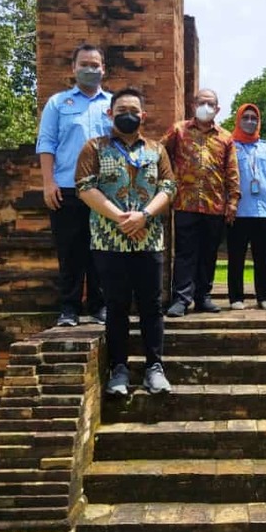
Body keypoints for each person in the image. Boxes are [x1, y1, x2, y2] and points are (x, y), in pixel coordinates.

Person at [75, 86, 177, 395]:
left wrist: (144, 216)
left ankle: (154, 368)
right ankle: (118, 369)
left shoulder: (156, 150)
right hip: (109, 242)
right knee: (116, 306)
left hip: (149, 240)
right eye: (121, 111)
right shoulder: (95, 147)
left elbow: (169, 187)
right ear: (110, 114)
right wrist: (121, 217)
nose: (128, 116)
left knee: (151, 305)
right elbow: (84, 187)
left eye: (133, 111)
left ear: (143, 115)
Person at [36, 43, 112, 327]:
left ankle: (98, 306)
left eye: (95, 65)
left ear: (103, 69)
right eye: (84, 64)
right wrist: (48, 182)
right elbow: (46, 143)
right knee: (70, 251)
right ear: (74, 68)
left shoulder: (112, 105)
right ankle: (69, 309)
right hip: (67, 187)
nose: (90, 69)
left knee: (100, 250)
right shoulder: (58, 103)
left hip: (104, 190)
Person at [161, 88, 240, 317]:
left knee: (208, 253)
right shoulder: (178, 130)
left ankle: (203, 296)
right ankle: (181, 299)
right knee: (185, 252)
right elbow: (160, 155)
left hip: (214, 205)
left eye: (211, 103)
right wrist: (165, 186)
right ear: (193, 104)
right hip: (185, 203)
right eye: (202, 102)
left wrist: (233, 201)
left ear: (217, 109)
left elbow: (232, 171)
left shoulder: (226, 137)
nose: (206, 106)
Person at [227, 104, 266, 310]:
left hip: (265, 209)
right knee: (236, 256)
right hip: (239, 209)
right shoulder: (230, 145)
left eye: (254, 118)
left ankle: (264, 297)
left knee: (263, 256)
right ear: (239, 120)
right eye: (246, 117)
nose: (250, 122)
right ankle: (236, 298)